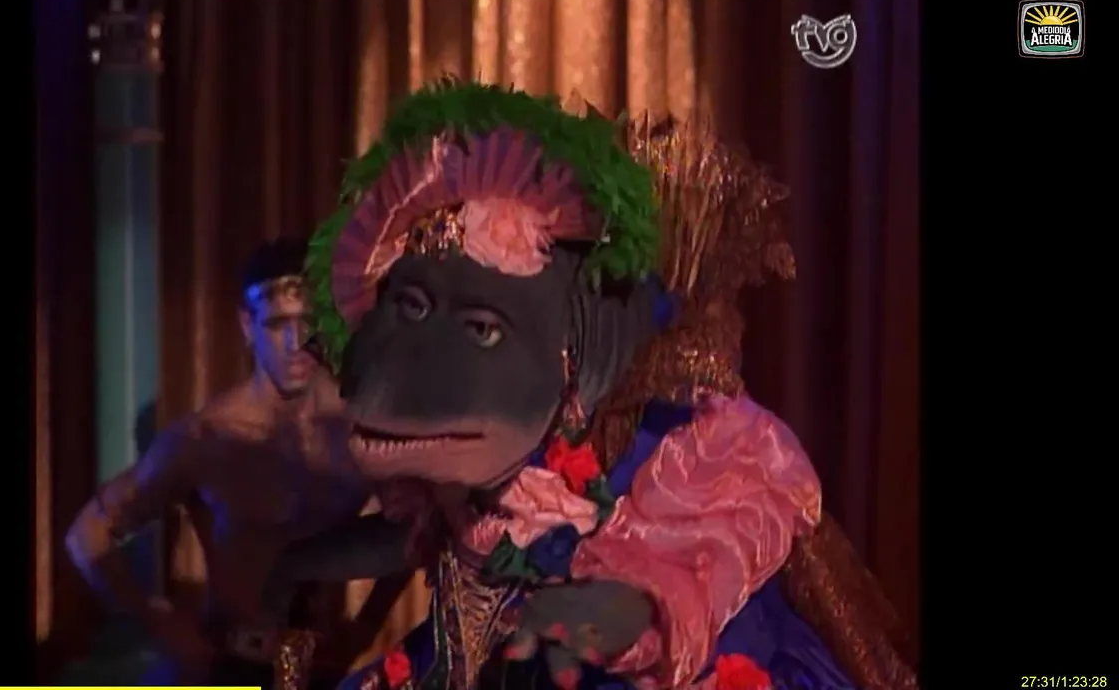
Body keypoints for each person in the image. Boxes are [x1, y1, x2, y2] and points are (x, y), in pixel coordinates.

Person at [275, 82, 917, 689]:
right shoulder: (475, 469)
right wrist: (295, 564)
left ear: (566, 355)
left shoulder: (685, 443)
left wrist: (597, 618)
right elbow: (429, 542)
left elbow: (682, 586)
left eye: (479, 327)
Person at [64, 238, 368, 688]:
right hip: (231, 666)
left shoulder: (357, 428)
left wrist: (366, 628)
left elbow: (421, 526)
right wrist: (161, 623)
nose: (296, 342)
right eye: (277, 324)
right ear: (248, 325)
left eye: (307, 321)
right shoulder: (209, 437)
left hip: (324, 671)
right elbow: (86, 535)